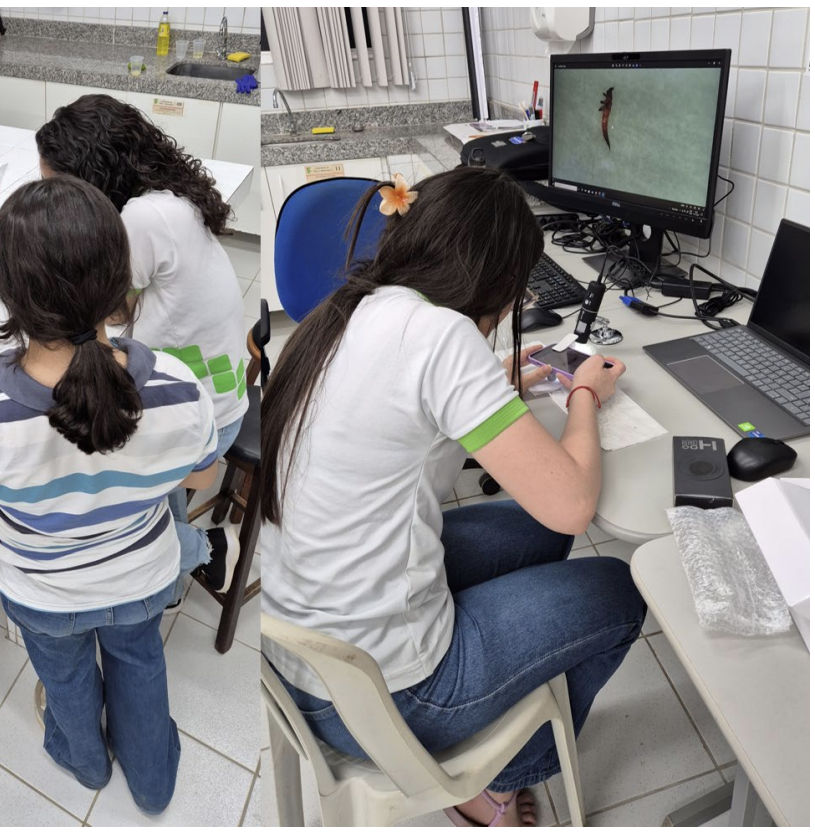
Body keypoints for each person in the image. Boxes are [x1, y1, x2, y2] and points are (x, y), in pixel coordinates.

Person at [259, 167, 646, 827]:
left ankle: (505, 670)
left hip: (303, 650)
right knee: (622, 585)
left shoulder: (355, 307)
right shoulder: (443, 338)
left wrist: (494, 379)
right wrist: (583, 394)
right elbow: (573, 504)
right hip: (384, 698)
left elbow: (402, 401)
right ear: (496, 280)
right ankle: (499, 775)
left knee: (540, 536)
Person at [0, 176, 219, 814]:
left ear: (6, 292)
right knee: (140, 666)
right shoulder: (176, 385)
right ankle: (153, 780)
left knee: (64, 678)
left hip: (40, 590)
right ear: (120, 285)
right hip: (142, 579)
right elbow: (203, 480)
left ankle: (85, 764)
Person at [36, 94, 246, 594]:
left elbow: (109, 313)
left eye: (55, 187)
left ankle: (198, 554)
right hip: (219, 387)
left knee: (121, 496)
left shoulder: (140, 221)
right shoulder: (168, 196)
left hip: (201, 413)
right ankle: (173, 576)